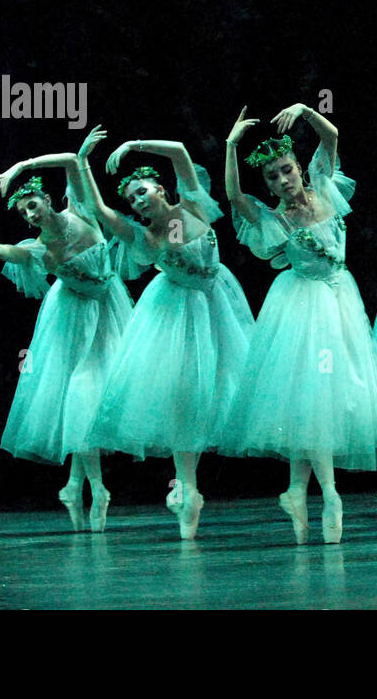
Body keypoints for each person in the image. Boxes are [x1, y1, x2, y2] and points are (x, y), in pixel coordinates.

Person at [215, 103, 377, 544]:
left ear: (298, 168)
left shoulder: (325, 188)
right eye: (273, 177)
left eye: (286, 170)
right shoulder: (274, 217)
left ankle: (297, 490)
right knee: (314, 398)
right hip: (303, 307)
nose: (282, 180)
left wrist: (304, 111)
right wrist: (230, 145)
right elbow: (235, 197)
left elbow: (332, 138)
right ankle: (330, 495)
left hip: (339, 300)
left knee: (322, 405)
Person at [78, 129, 252, 539]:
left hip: (217, 301)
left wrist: (132, 144)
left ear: (160, 188)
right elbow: (101, 210)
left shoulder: (192, 203)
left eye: (143, 191)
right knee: (181, 393)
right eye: (133, 199)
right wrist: (84, 161)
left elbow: (178, 150)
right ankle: (187, 487)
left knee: (229, 383)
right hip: (175, 312)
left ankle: (193, 486)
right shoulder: (144, 235)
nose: (138, 201)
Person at [0, 132, 133, 532]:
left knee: (104, 390)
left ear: (46, 200)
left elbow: (69, 158)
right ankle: (98, 489)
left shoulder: (79, 208)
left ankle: (72, 485)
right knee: (82, 392)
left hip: (110, 306)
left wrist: (21, 166)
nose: (30, 214)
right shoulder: (38, 250)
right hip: (73, 316)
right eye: (24, 213)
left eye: (33, 205)